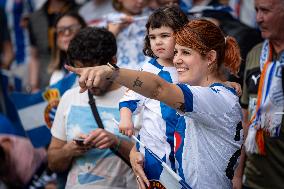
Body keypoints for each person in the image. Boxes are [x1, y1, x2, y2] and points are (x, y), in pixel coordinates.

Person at [65, 19, 244, 189]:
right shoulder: (204, 97)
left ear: (211, 57)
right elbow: (160, 129)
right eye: (176, 52)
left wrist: (112, 72)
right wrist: (135, 152)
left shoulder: (218, 98)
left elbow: (158, 88)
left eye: (186, 53)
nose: (176, 60)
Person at [47, 27, 137, 189]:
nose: (85, 82)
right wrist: (69, 150)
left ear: (112, 62)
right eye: (80, 74)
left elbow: (153, 161)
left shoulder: (136, 98)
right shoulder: (69, 98)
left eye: (92, 74)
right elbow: (53, 162)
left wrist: (116, 142)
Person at [118, 5, 188, 185]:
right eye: (152, 37)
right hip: (154, 149)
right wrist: (126, 120)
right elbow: (129, 100)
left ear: (181, 35)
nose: (157, 42)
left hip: (186, 151)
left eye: (164, 36)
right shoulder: (148, 70)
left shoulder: (190, 66)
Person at [237, 0, 284, 189]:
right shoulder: (255, 53)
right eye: (256, 10)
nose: (258, 18)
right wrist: (237, 175)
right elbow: (244, 118)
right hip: (255, 179)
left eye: (265, 11)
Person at [27, 0, 79, 92]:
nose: (65, 35)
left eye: (70, 29)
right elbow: (34, 56)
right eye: (60, 31)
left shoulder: (82, 10)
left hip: (77, 71)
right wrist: (33, 87)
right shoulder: (35, 18)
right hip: (48, 81)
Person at [106, 0, 149, 69]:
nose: (141, 1)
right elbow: (102, 49)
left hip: (150, 69)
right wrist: (112, 33)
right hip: (123, 70)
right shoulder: (110, 20)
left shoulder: (151, 16)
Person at [48, 12, 86, 85]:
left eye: (73, 28)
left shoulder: (95, 64)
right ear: (56, 38)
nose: (67, 33)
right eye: (61, 30)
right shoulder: (56, 74)